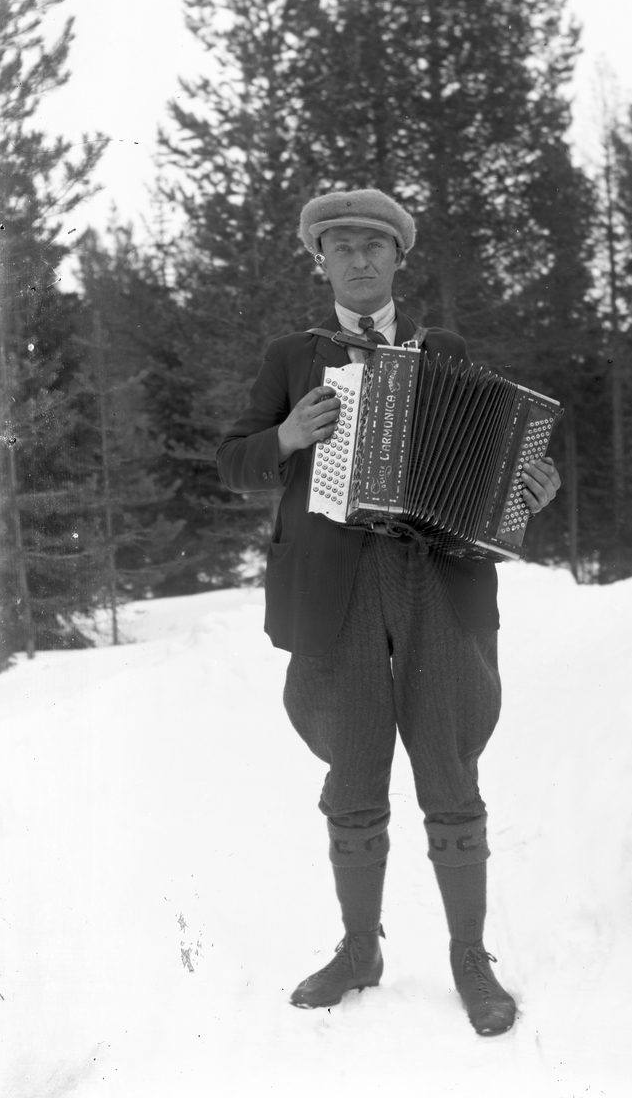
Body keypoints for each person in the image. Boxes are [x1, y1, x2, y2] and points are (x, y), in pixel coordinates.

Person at [216, 189, 560, 1036]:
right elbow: (233, 462)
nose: (360, 259)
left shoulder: (444, 351)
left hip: (434, 580)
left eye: (375, 245)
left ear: (399, 259)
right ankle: (359, 950)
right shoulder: (291, 357)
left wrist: (527, 492)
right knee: (354, 771)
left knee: (450, 769)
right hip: (335, 588)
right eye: (342, 246)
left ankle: (470, 959)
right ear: (320, 261)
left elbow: (484, 472)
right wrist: (287, 438)